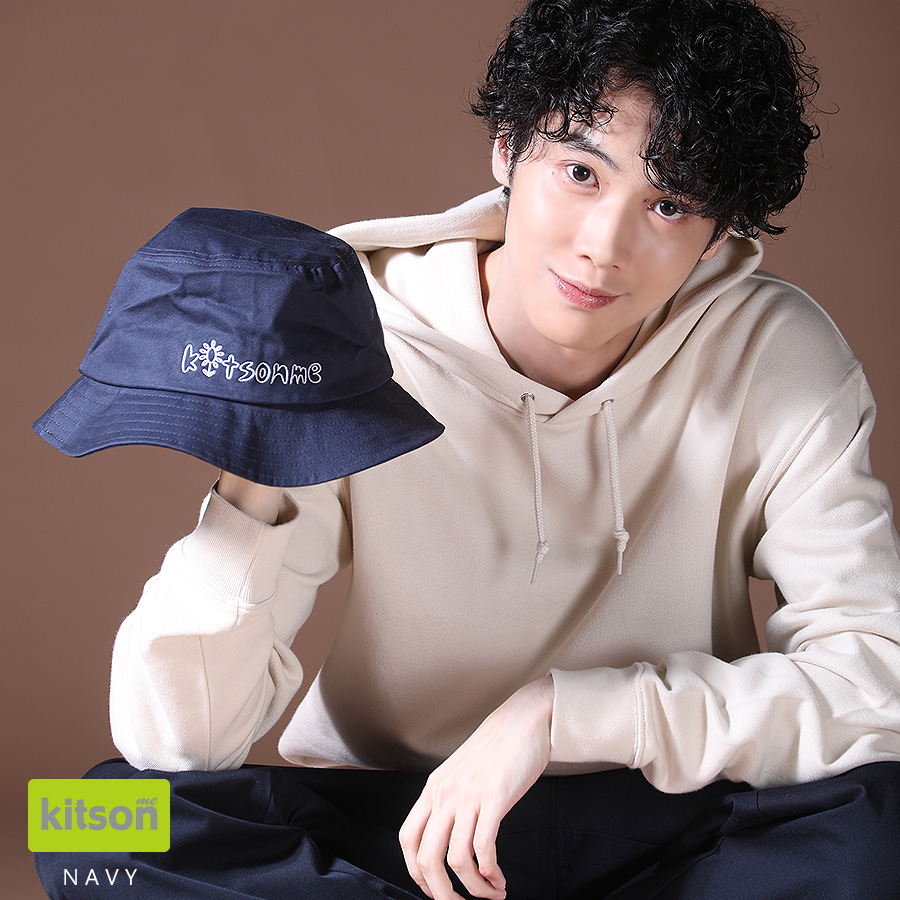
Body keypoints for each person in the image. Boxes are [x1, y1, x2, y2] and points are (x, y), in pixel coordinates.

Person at [35, 0, 900, 898]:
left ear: (721, 229)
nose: (604, 247)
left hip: (672, 821)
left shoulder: (775, 353)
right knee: (91, 821)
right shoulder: (356, 329)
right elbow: (175, 745)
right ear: (507, 148)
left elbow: (877, 681)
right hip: (407, 821)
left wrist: (561, 714)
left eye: (670, 204)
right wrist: (257, 467)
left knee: (882, 820)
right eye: (580, 171)